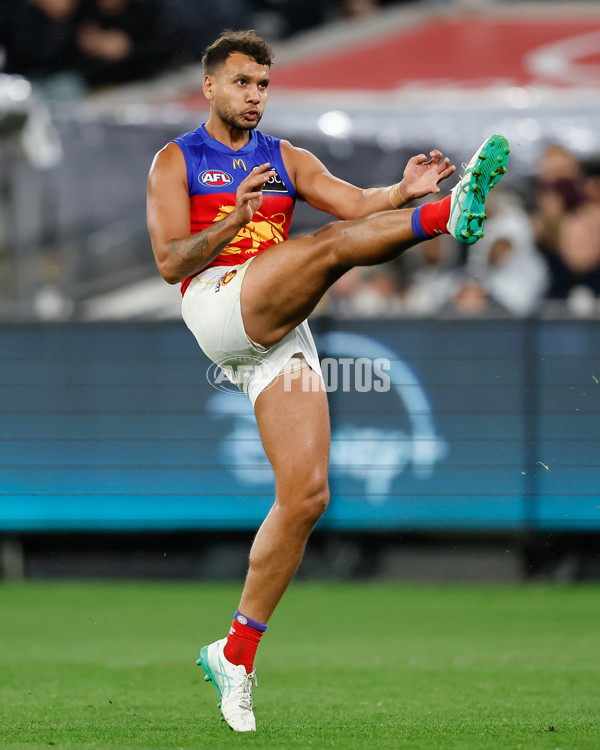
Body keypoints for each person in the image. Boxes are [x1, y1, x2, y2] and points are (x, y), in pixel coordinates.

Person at [146, 29, 510, 733]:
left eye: (263, 85)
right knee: (327, 251)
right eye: (242, 82)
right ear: (211, 87)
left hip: (278, 326)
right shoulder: (175, 161)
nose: (254, 96)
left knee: (308, 496)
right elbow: (168, 262)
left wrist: (399, 191)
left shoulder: (285, 158)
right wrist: (233, 222)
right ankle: (447, 218)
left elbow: (353, 205)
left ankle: (235, 653)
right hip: (218, 303)